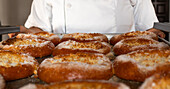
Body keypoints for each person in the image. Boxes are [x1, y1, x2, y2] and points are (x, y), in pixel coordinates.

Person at [9, 0, 165, 38]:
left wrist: (154, 33)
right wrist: (28, 33)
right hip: (61, 64)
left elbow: (148, 29)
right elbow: (39, 30)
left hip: (122, 63)